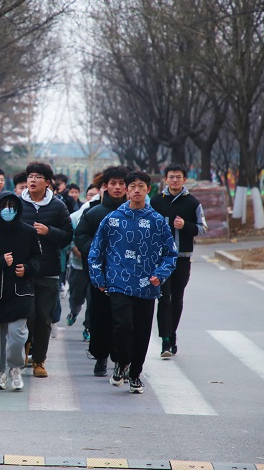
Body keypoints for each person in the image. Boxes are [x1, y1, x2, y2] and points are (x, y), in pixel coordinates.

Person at [88, 171, 177, 394]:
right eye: (133, 186)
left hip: (147, 285)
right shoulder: (112, 219)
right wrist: (99, 278)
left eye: (141, 187)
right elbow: (96, 250)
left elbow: (170, 254)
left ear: (148, 190)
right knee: (123, 325)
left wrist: (160, 274)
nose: (137, 190)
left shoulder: (157, 221)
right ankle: (122, 362)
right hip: (118, 282)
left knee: (142, 332)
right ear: (127, 190)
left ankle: (135, 374)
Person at [0, 192, 41, 391]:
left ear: (18, 209)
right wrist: (0, 261)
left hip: (20, 292)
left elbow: (38, 259)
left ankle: (16, 368)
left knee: (18, 336)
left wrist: (27, 268)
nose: (8, 210)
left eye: (12, 206)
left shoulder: (29, 232)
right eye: (4, 207)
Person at [74, 166, 130, 377]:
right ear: (105, 186)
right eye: (113, 183)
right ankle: (100, 357)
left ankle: (120, 358)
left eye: (121, 183)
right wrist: (99, 250)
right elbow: (81, 237)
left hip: (127, 277)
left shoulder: (134, 213)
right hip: (101, 276)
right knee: (100, 317)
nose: (117, 188)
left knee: (123, 320)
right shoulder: (93, 213)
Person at [19, 161, 73, 378]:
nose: (33, 180)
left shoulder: (58, 206)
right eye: (30, 176)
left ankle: (39, 360)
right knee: (26, 315)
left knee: (43, 318)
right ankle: (24, 351)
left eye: (38, 177)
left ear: (48, 182)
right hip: (23, 270)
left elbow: (68, 236)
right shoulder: (18, 204)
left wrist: (48, 231)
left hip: (49, 270)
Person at [150, 163, 207, 357]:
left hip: (182, 258)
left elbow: (203, 228)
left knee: (177, 299)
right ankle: (165, 341)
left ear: (184, 179)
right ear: (165, 179)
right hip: (160, 260)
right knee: (163, 298)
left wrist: (186, 226)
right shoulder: (156, 201)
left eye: (178, 177)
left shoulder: (192, 203)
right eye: (171, 177)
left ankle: (172, 334)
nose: (175, 180)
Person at [65, 182, 100, 340]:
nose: (93, 198)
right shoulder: (76, 216)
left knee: (92, 298)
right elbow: (71, 237)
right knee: (76, 296)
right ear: (85, 197)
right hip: (78, 265)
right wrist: (77, 251)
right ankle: (74, 311)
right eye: (90, 195)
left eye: (96, 195)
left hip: (95, 267)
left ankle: (88, 327)